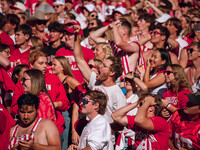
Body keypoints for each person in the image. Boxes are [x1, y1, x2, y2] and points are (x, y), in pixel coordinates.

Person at [73, 26, 126, 125]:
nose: (99, 67)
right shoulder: (95, 81)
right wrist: (76, 37)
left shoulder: (117, 95)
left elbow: (120, 123)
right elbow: (79, 60)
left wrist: (105, 129)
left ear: (112, 73)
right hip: (89, 129)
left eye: (104, 66)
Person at [11, 50, 70, 135]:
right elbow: (14, 108)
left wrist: (53, 105)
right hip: (29, 128)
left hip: (54, 126)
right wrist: (27, 110)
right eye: (41, 63)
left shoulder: (53, 79)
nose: (45, 66)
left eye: (46, 63)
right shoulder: (23, 82)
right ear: (31, 64)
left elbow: (65, 103)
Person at [52, 56, 80, 149]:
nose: (52, 67)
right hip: (58, 114)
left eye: (55, 65)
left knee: (65, 141)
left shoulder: (68, 80)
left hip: (69, 114)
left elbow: (82, 91)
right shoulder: (54, 79)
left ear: (63, 67)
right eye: (52, 64)